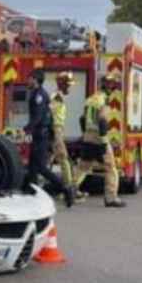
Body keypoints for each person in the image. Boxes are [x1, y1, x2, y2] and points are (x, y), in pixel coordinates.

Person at [74, 72, 125, 208]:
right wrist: (103, 141)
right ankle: (111, 198)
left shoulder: (90, 99)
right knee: (111, 168)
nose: (112, 86)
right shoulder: (104, 100)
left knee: (83, 167)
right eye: (111, 84)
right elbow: (102, 121)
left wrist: (85, 134)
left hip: (88, 137)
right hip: (99, 139)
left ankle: (70, 190)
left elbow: (82, 119)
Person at [23, 69, 70, 205]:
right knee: (32, 166)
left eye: (29, 78)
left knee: (41, 167)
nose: (27, 81)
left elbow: (38, 116)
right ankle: (31, 195)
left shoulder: (39, 96)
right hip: (38, 134)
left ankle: (65, 188)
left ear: (35, 79)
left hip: (40, 135)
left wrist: (27, 129)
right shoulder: (38, 93)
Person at [49, 70, 80, 205]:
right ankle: (69, 188)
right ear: (62, 84)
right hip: (56, 130)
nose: (70, 87)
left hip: (57, 130)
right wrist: (55, 133)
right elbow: (51, 113)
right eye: (68, 85)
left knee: (50, 160)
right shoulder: (57, 97)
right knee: (63, 158)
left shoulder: (58, 96)